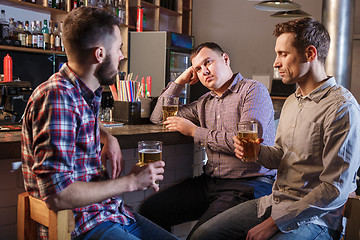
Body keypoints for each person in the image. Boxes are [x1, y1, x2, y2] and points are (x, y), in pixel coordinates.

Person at [189, 18, 360, 240]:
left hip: (317, 219)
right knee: (202, 235)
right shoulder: (291, 101)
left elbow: (334, 190)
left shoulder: (342, 108)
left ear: (310, 54)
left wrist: (275, 223)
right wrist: (257, 153)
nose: (275, 63)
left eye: (283, 54)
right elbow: (281, 156)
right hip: (275, 201)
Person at [21, 6, 178, 240]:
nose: (123, 56)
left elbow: (83, 119)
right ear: (100, 54)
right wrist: (131, 182)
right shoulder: (57, 99)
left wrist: (107, 136)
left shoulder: (84, 91)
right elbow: (58, 195)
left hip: (110, 213)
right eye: (119, 48)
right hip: (80, 226)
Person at [139, 42, 277, 238]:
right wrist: (180, 81)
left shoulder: (253, 90)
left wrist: (195, 131)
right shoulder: (204, 102)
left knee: (199, 238)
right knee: (151, 210)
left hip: (249, 185)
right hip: (210, 183)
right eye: (197, 68)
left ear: (225, 59)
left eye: (208, 62)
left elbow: (247, 144)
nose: (204, 71)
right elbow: (158, 118)